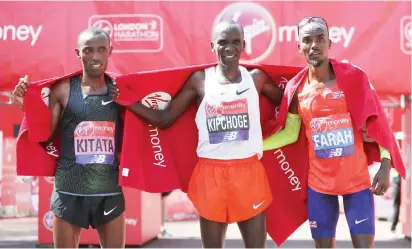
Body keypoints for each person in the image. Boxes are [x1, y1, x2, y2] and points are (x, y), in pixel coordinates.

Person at [114, 20, 285, 248]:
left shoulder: (256, 79)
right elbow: (165, 119)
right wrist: (127, 101)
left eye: (235, 42)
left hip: (248, 172)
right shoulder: (200, 80)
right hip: (211, 173)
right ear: (212, 46)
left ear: (244, 44)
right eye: (222, 42)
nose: (229, 48)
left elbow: (286, 102)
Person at [262, 17, 395, 248]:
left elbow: (377, 123)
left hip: (357, 183)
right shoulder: (296, 90)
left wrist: (385, 163)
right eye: (307, 40)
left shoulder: (353, 78)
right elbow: (290, 133)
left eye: (320, 39)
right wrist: (253, 146)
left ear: (329, 43)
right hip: (320, 186)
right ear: (299, 47)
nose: (314, 45)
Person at [12, 27, 125, 248]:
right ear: (78, 53)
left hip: (109, 190)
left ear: (110, 51)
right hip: (68, 190)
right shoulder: (63, 90)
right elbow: (45, 136)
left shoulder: (120, 90)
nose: (95, 56)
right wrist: (28, 106)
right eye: (88, 50)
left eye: (101, 49)